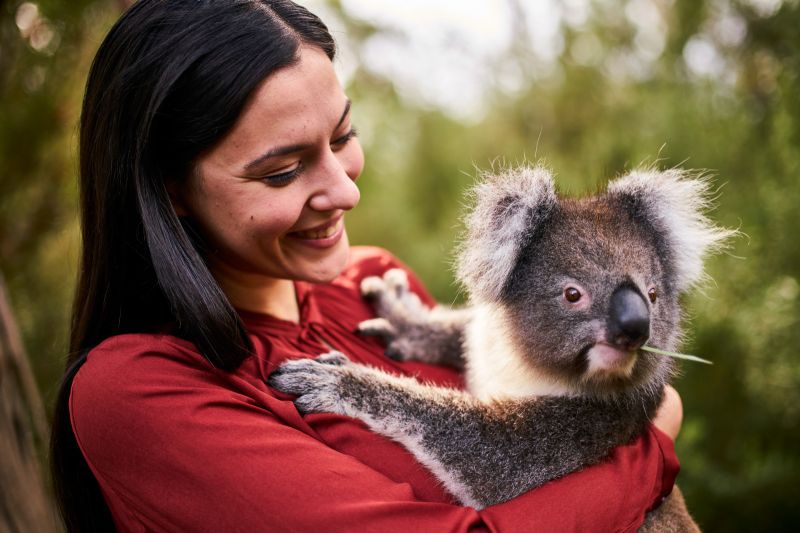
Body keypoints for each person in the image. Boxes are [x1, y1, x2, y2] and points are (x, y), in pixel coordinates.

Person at [50, 1, 683, 531]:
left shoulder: (376, 285)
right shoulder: (140, 391)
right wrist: (651, 449)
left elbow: (513, 375)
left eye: (343, 136)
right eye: (282, 171)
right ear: (171, 191)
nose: (346, 191)